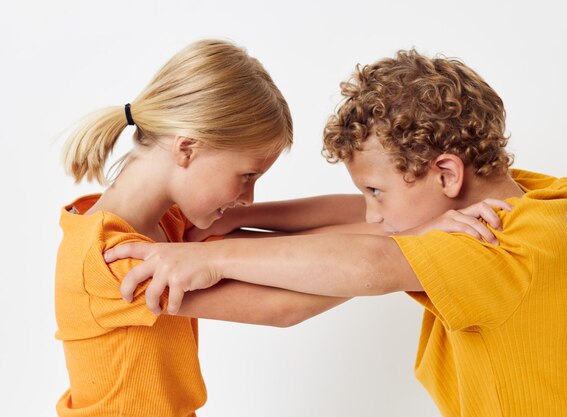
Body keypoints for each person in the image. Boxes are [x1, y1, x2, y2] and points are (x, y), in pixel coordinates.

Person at [106, 49, 567, 416]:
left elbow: (370, 262)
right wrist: (243, 219)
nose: (370, 213)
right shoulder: (518, 205)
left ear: (447, 174)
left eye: (377, 191)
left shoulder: (495, 244)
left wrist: (212, 260)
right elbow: (362, 218)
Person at [55, 40, 501, 417]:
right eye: (247, 176)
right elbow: (281, 305)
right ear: (187, 148)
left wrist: (404, 216)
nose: (249, 196)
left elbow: (299, 250)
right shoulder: (113, 259)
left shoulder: (168, 224)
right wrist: (417, 241)